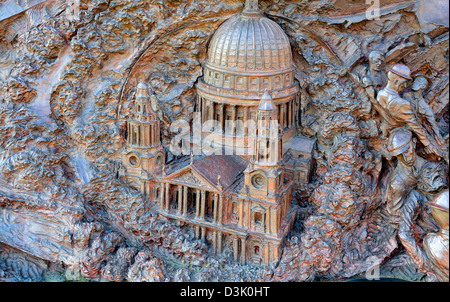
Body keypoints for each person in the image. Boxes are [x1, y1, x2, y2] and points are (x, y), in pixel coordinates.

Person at [375, 64, 444, 159]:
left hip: (388, 133)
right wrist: (428, 144)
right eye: (403, 83)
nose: (404, 86)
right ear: (396, 82)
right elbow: (415, 125)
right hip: (403, 139)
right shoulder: (401, 103)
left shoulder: (380, 94)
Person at [404, 75, 445, 147]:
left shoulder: (425, 106)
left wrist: (439, 139)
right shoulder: (406, 96)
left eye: (418, 81)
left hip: (418, 132)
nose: (415, 82)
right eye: (415, 80)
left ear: (423, 86)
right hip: (405, 128)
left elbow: (433, 124)